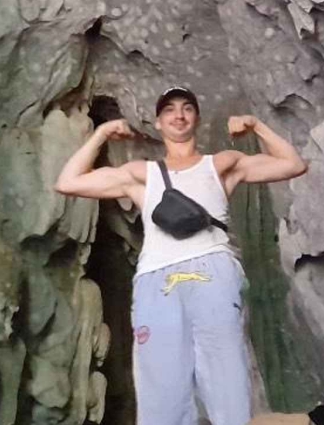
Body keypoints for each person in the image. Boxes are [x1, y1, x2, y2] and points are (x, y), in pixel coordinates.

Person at [54, 87, 308, 425]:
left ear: (196, 119)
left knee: (226, 375)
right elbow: (68, 182)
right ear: (158, 122)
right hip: (157, 279)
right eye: (170, 110)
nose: (179, 115)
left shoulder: (221, 165)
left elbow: (293, 164)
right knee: (161, 386)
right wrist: (101, 134)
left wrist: (256, 126)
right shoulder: (142, 174)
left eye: (187, 108)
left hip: (212, 270)